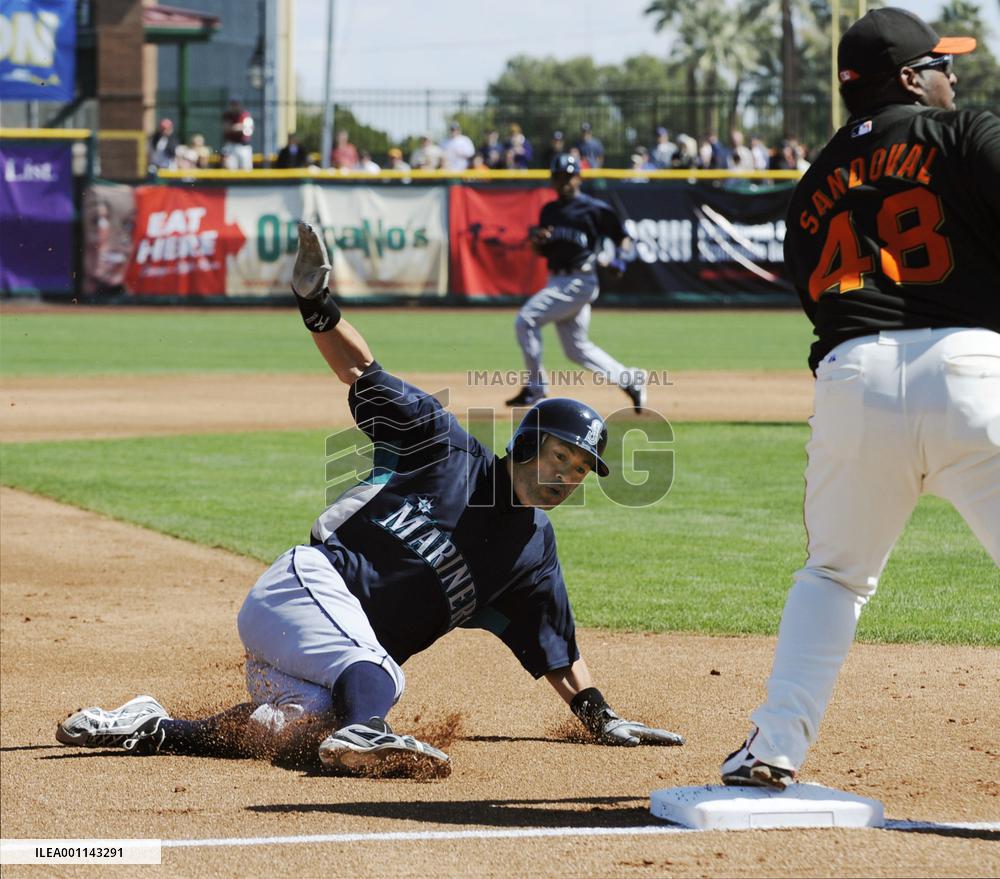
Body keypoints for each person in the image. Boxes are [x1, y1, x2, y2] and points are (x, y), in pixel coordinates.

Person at [54, 223, 683, 774]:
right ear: (529, 444)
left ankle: (152, 727)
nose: (568, 477)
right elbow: (364, 373)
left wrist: (601, 719)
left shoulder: (533, 551)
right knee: (379, 677)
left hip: (330, 660)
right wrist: (316, 304)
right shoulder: (445, 448)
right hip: (303, 590)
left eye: (580, 472)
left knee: (297, 729)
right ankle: (370, 729)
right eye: (562, 458)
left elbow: (557, 652)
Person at [720, 6, 999, 790]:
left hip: (853, 377)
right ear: (910, 78)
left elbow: (823, 302)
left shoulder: (812, 185)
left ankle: (773, 749)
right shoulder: (966, 132)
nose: (954, 77)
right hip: (973, 368)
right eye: (945, 65)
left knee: (835, 577)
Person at [506, 153, 648, 413]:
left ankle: (536, 388)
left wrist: (621, 261)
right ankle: (630, 380)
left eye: (568, 177)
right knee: (575, 349)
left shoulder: (594, 209)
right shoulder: (549, 210)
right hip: (557, 279)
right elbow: (541, 251)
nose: (563, 182)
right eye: (558, 177)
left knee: (526, 320)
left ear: (578, 177)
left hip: (579, 280)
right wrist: (539, 241)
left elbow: (623, 238)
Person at [221, 97, 254, 170]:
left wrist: (235, 127)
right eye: (233, 104)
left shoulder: (245, 115)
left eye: (236, 104)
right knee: (230, 170)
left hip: (243, 146)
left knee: (246, 170)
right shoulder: (227, 115)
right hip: (231, 145)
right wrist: (238, 127)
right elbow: (227, 129)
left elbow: (247, 131)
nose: (234, 106)